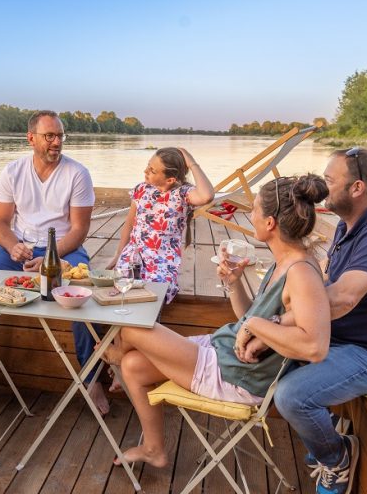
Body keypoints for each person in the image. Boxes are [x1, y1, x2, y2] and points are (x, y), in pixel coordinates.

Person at [100, 174, 331, 468]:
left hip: (234, 376)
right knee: (134, 367)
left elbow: (315, 346)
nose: (251, 216)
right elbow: (248, 319)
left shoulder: (300, 271)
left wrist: (254, 326)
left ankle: (110, 359)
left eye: (255, 210)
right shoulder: (285, 261)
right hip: (221, 352)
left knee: (130, 327)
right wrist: (234, 283)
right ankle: (153, 448)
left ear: (270, 223)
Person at [272, 147, 367, 494]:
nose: (323, 187)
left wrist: (279, 320)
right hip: (350, 340)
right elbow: (323, 283)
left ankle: (336, 457)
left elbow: (341, 297)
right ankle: (327, 426)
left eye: (330, 180)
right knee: (271, 358)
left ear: (357, 188)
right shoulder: (348, 225)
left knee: (292, 396)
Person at [0, 110, 110, 414]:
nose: (57, 142)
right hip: (20, 249)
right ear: (31, 138)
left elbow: (79, 229)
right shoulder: (13, 172)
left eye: (60, 136)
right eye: (49, 136)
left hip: (63, 249)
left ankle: (92, 381)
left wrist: (49, 257)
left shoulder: (77, 173)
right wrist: (12, 247)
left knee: (81, 295)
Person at [107, 147, 215, 304]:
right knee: (116, 293)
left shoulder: (183, 194)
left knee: (151, 298)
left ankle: (144, 326)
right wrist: (118, 255)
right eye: (147, 166)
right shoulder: (141, 189)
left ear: (170, 179)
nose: (145, 171)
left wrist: (191, 163)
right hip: (133, 256)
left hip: (162, 262)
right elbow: (130, 224)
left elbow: (207, 196)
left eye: (152, 170)